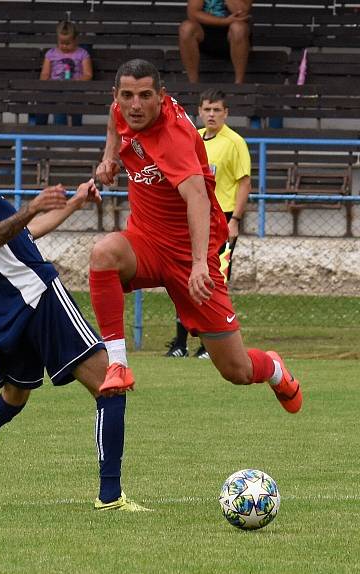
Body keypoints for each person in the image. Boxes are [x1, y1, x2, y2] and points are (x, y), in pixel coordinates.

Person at [0, 108, 148, 511]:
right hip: (38, 297)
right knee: (111, 386)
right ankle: (110, 496)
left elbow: (22, 235)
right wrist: (33, 205)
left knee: (12, 398)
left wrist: (74, 202)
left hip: (12, 314)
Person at [89, 59, 301, 416]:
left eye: (144, 96)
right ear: (117, 95)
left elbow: (198, 198)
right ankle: (118, 364)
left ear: (161, 96)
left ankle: (275, 369)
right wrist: (109, 159)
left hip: (191, 257)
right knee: (103, 253)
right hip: (146, 242)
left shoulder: (174, 138)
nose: (134, 105)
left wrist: (201, 263)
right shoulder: (121, 109)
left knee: (236, 370)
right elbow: (115, 122)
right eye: (127, 95)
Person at [165, 88, 251, 359]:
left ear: (226, 113)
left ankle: (207, 346)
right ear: (199, 112)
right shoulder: (194, 138)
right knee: (182, 279)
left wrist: (235, 219)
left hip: (221, 219)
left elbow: (244, 182)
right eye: (207, 109)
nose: (211, 114)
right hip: (192, 218)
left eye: (217, 110)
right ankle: (180, 344)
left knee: (213, 280)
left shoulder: (235, 142)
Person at [34, 20, 92, 127]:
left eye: (68, 43)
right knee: (44, 99)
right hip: (54, 87)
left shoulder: (82, 54)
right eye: (61, 43)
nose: (64, 46)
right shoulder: (51, 54)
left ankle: (75, 127)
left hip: (74, 87)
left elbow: (88, 74)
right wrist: (48, 84)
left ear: (75, 40)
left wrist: (77, 81)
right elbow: (45, 74)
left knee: (75, 99)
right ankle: (40, 128)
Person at [178, 0, 252, 84]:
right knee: (186, 28)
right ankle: (193, 84)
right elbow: (193, 14)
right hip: (203, 32)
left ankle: (239, 84)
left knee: (239, 28)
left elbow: (241, 12)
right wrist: (224, 21)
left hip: (234, 35)